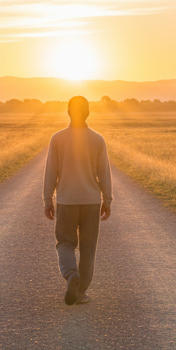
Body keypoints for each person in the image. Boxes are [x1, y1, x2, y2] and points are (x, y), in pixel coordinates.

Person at [43, 95, 112, 305]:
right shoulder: (97, 139)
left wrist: (48, 199)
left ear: (68, 112)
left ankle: (71, 275)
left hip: (66, 200)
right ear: (88, 112)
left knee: (65, 243)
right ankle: (81, 292)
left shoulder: (57, 138)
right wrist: (107, 200)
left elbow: (50, 172)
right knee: (88, 248)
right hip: (91, 201)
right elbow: (104, 173)